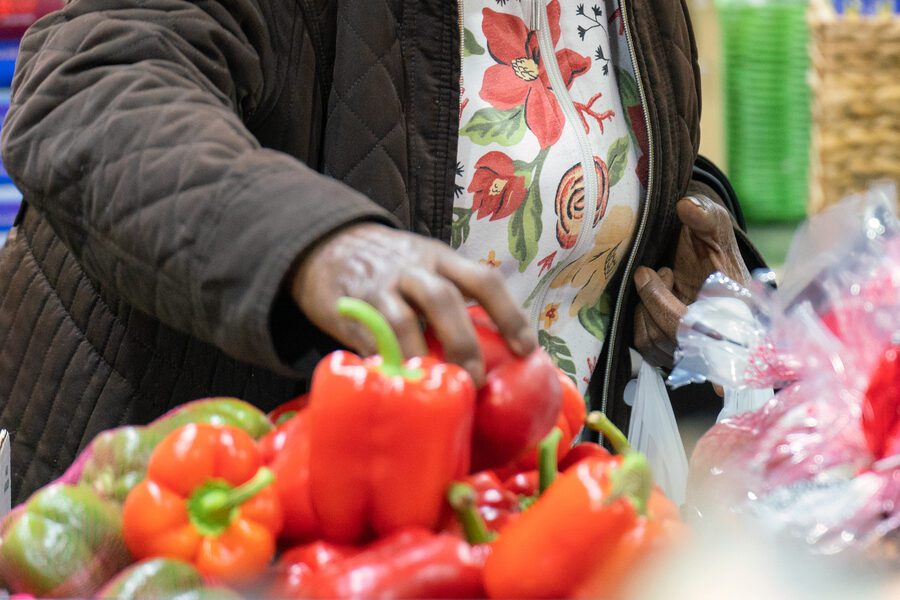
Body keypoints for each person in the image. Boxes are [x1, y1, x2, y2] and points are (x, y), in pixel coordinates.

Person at [0, 0, 764, 504]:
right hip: (214, 499)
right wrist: (319, 243)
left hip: (498, 510)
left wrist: (658, 255)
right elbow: (91, 84)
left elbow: (579, 152)